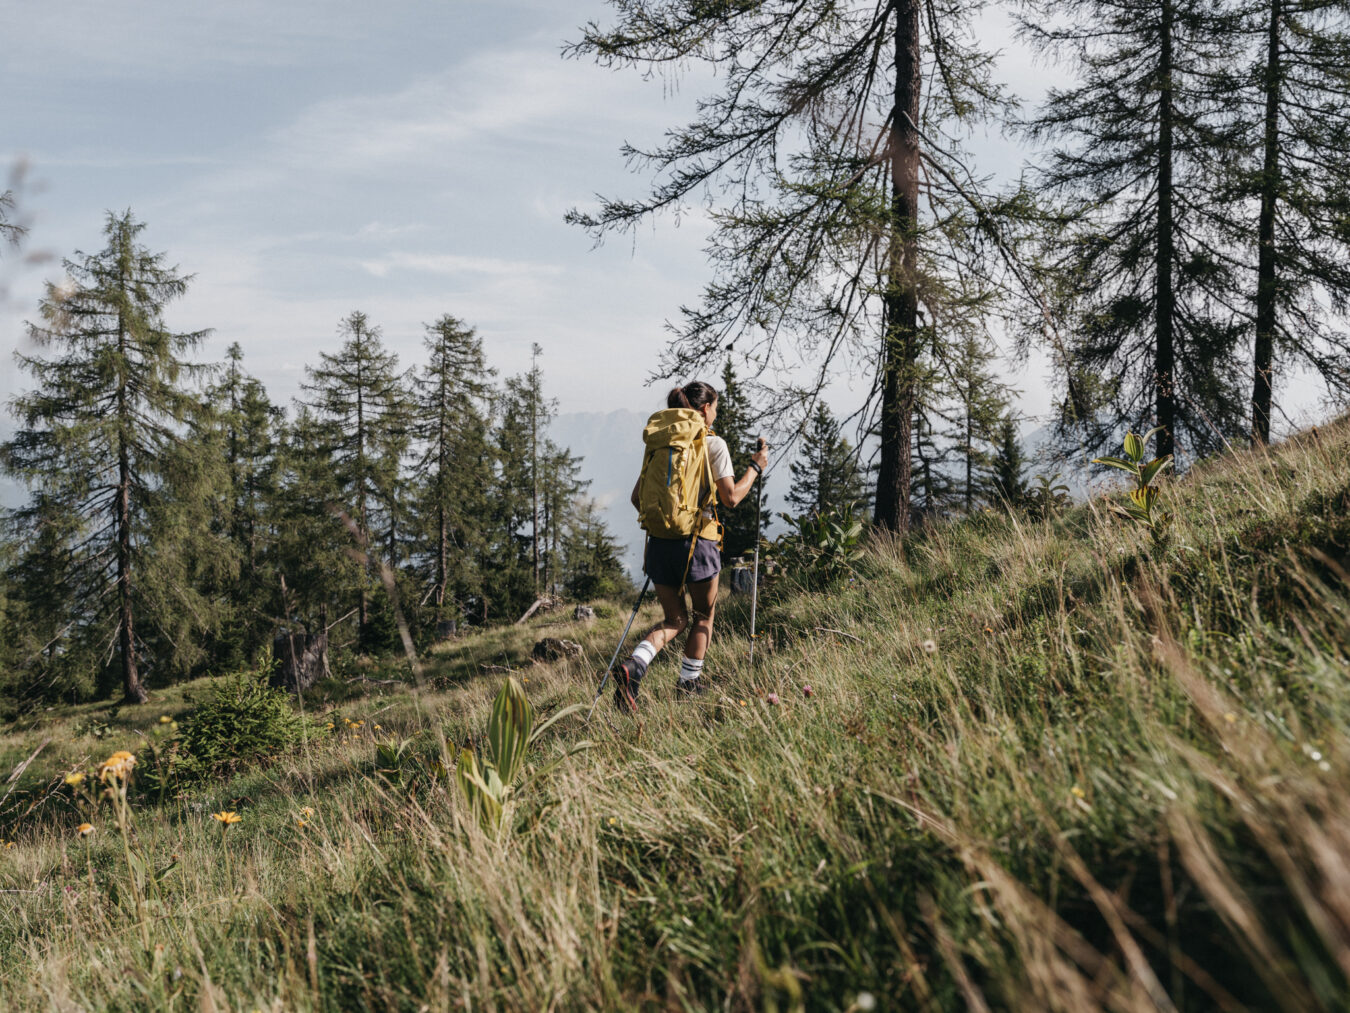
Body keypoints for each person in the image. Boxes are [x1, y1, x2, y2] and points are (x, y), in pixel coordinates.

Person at [614, 381, 768, 711]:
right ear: (703, 410)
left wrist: (667, 523)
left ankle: (634, 666)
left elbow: (636, 498)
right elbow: (731, 497)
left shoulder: (659, 444)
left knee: (673, 620)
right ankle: (688, 684)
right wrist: (755, 468)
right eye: (714, 407)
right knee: (702, 618)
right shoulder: (712, 444)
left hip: (659, 544)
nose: (715, 413)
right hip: (699, 544)